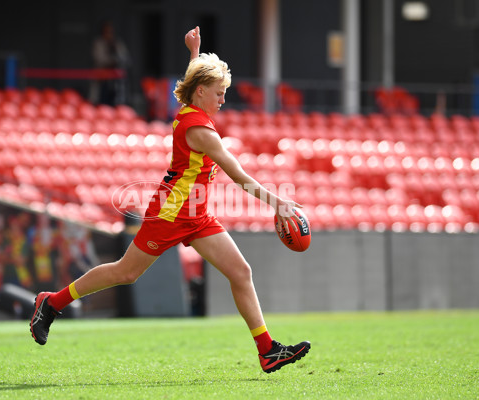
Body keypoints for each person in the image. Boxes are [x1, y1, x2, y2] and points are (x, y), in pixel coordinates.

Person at [31, 26, 310, 373]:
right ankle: (52, 302)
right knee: (126, 272)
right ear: (203, 91)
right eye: (220, 93)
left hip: (196, 214)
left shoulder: (194, 111)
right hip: (169, 214)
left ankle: (267, 350)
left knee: (240, 272)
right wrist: (279, 203)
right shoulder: (201, 131)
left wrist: (195, 52)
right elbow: (238, 176)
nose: (223, 99)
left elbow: (192, 89)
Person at [89, 21, 131, 106]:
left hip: (117, 82)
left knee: (118, 105)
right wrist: (112, 61)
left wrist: (115, 52)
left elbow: (126, 59)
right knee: (101, 105)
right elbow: (99, 59)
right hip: (102, 80)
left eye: (110, 32)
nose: (109, 34)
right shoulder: (98, 43)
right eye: (106, 32)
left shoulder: (117, 43)